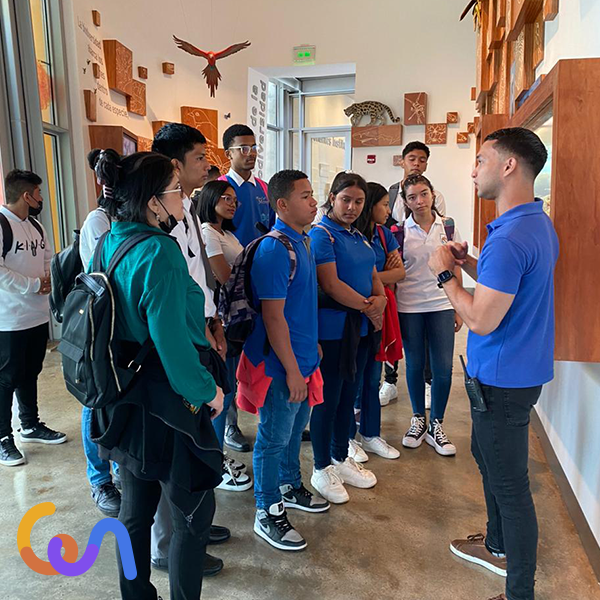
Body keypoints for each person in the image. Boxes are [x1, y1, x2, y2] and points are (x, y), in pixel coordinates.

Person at [429, 127, 558, 600]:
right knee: (489, 460)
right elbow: (508, 287)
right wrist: (468, 266)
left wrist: (444, 275)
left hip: (502, 381)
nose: (473, 169)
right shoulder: (534, 224)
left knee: (510, 487)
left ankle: (518, 591)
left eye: (481, 160)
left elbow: (481, 319)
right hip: (516, 373)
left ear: (508, 165)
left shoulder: (509, 238)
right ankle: (497, 544)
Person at [89, 150, 225, 600]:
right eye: (177, 191)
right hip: (170, 403)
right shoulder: (160, 252)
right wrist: (208, 392)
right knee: (192, 517)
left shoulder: (108, 241)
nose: (184, 199)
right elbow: (172, 344)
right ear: (152, 201)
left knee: (134, 514)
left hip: (125, 396)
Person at [151, 123, 234, 577]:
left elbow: (197, 278)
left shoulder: (185, 210)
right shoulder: (155, 221)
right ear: (174, 164)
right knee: (175, 446)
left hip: (199, 331)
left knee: (196, 440)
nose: (208, 164)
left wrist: (212, 322)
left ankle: (193, 524)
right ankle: (169, 545)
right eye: (200, 157)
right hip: (175, 344)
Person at [236, 169, 328, 551]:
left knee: (293, 432)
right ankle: (266, 509)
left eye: (312, 194)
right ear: (282, 204)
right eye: (305, 196)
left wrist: (312, 349)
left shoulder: (303, 241)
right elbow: (273, 318)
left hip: (303, 358)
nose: (314, 201)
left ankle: (290, 485)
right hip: (280, 366)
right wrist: (291, 370)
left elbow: (300, 305)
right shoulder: (275, 250)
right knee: (272, 438)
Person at [308, 172, 386, 504]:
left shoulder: (358, 235)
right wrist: (370, 306)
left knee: (348, 396)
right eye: (346, 200)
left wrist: (381, 299)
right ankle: (321, 466)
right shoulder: (322, 234)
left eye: (358, 202)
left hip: (361, 328)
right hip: (334, 330)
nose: (352, 207)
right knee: (328, 400)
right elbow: (330, 284)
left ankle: (340, 456)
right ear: (332, 198)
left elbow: (372, 273)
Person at [0, 169, 66, 468]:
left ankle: (30, 424)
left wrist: (50, 280)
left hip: (37, 315)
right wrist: (33, 284)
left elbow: (48, 259)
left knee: (30, 372)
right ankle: (3, 437)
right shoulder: (2, 224)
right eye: (38, 194)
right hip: (9, 319)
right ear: (27, 196)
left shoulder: (36, 226)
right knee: (6, 378)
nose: (41, 199)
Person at [395, 174, 462, 457]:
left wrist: (459, 305)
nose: (419, 201)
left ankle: (437, 424)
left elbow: (456, 265)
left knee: (442, 367)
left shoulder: (447, 226)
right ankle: (418, 420)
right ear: (405, 201)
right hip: (409, 306)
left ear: (432, 194)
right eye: (412, 197)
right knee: (414, 364)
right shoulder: (399, 231)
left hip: (442, 304)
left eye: (423, 194)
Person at [380, 140, 447, 406]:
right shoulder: (391, 192)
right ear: (402, 161)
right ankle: (390, 381)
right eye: (412, 159)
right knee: (397, 332)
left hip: (429, 282)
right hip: (398, 262)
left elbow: (441, 233)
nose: (416, 163)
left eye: (421, 159)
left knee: (426, 343)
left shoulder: (436, 195)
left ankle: (428, 383)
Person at [196, 180, 252, 492]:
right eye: (225, 198)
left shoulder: (227, 233)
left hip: (236, 318)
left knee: (228, 386)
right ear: (210, 200)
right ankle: (214, 460)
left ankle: (216, 455)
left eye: (234, 199)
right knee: (222, 390)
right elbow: (224, 276)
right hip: (221, 320)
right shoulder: (207, 232)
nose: (232, 204)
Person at [348, 182, 405, 462]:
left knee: (372, 377)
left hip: (378, 312)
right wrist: (377, 276)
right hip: (350, 314)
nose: (388, 210)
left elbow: (400, 272)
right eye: (383, 204)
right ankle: (346, 438)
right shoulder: (348, 235)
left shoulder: (384, 234)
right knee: (350, 379)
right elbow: (337, 278)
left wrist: (369, 278)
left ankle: (370, 434)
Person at [79, 149, 121, 516]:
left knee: (116, 402)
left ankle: (118, 470)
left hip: (121, 326)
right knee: (94, 402)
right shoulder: (98, 221)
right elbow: (106, 276)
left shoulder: (121, 218)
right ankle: (99, 479)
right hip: (100, 324)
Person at [220, 123, 275, 247]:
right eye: (244, 149)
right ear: (228, 154)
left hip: (261, 255)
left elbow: (271, 227)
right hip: (230, 257)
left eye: (254, 148)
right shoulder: (218, 187)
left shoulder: (265, 187)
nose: (251, 153)